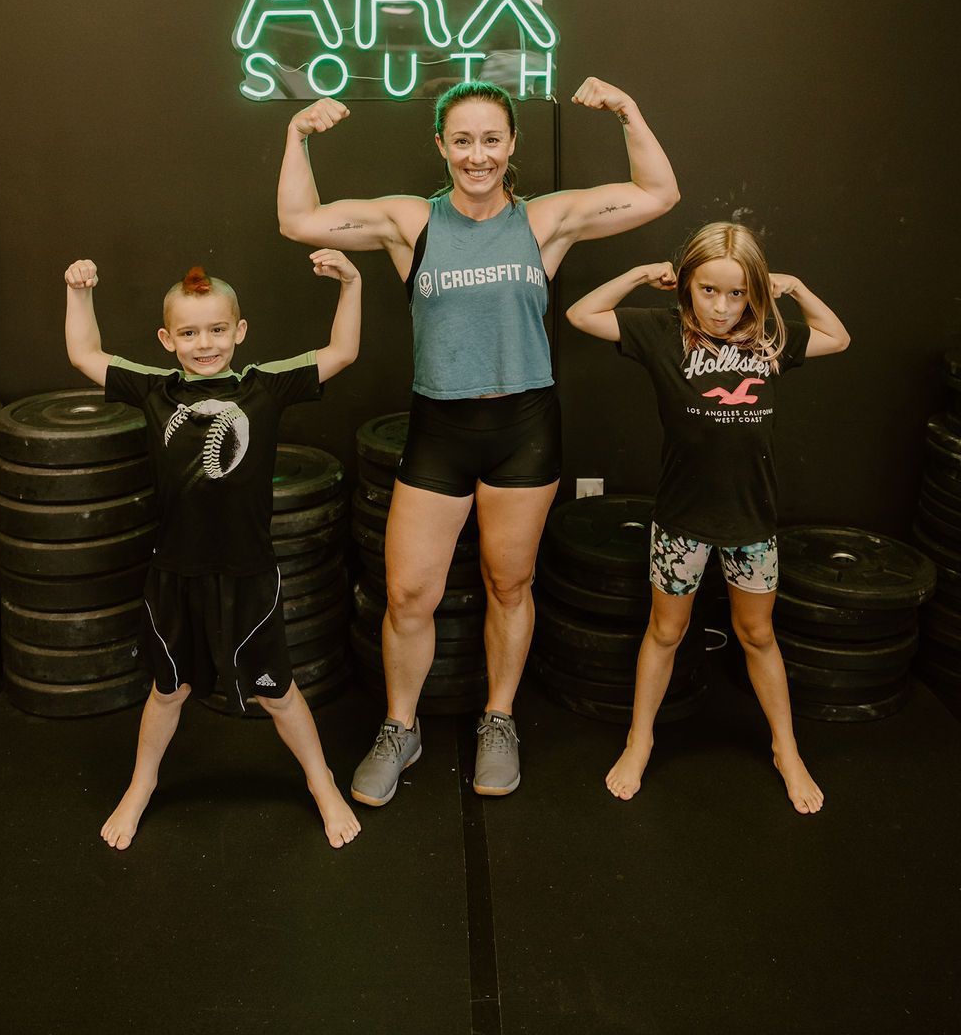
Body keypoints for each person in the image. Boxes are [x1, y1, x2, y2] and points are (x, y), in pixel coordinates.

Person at [278, 77, 679, 804]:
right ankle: (401, 727)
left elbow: (658, 194)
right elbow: (298, 220)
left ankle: (499, 718)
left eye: (491, 139)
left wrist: (628, 109)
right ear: (441, 145)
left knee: (509, 584)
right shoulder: (410, 222)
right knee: (406, 594)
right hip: (440, 428)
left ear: (511, 144)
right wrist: (296, 136)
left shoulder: (544, 222)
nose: (478, 154)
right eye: (462, 140)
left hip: (524, 428)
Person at [63, 252, 363, 850]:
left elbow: (343, 352)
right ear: (167, 339)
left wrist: (352, 283)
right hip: (175, 573)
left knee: (277, 692)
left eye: (218, 329)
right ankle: (141, 784)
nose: (206, 344)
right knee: (168, 689)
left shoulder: (266, 387)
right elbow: (84, 355)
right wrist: (79, 294)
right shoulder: (155, 391)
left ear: (240, 331)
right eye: (191, 333)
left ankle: (322, 782)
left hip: (249, 572)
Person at [565, 221, 850, 815]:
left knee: (758, 635)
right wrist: (642, 275)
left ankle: (786, 747)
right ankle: (639, 740)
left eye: (737, 293)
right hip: (681, 520)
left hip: (752, 521)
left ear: (755, 294)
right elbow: (581, 314)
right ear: (686, 287)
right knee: (665, 632)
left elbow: (838, 337)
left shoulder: (770, 339)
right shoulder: (661, 332)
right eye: (708, 291)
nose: (722, 308)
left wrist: (793, 288)